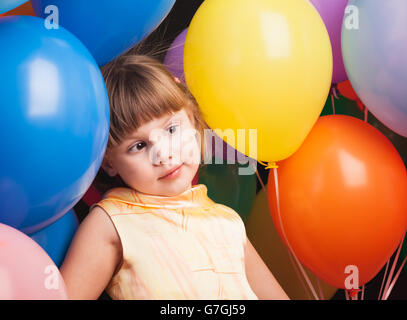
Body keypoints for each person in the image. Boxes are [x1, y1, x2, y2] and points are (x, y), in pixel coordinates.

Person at [59, 54, 289, 300]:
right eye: (138, 146)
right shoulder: (111, 222)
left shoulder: (227, 223)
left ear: (191, 118)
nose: (164, 154)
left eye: (171, 129)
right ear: (109, 162)